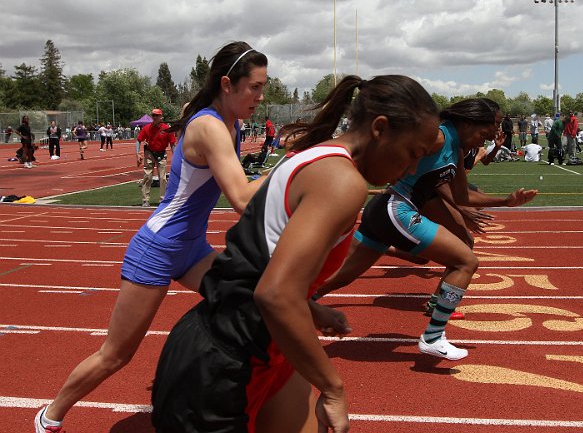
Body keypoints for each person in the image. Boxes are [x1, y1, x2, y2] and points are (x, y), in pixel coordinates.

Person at [150, 74, 441, 433]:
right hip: (227, 362)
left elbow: (261, 260)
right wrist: (333, 388)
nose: (412, 169)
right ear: (380, 128)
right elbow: (274, 294)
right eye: (413, 153)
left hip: (259, 348)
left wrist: (310, 306)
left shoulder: (315, 155)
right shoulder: (342, 180)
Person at [34, 41, 269, 433]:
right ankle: (50, 417)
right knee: (115, 355)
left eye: (264, 87)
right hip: (158, 248)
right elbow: (243, 198)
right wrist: (295, 167)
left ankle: (234, 400)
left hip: (192, 248)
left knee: (251, 301)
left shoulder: (234, 124)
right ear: (227, 84)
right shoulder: (209, 125)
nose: (261, 96)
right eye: (256, 87)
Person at [313, 98, 537, 362]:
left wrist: (507, 201)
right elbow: (390, 150)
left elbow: (462, 197)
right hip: (396, 209)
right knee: (465, 261)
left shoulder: (455, 149)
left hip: (384, 210)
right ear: (467, 123)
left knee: (340, 277)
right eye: (485, 131)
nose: (487, 139)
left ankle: (291, 305)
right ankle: (433, 336)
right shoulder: (438, 138)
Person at [136, 109, 177, 207]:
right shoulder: (147, 128)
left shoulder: (167, 129)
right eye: (153, 115)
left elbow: (172, 143)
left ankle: (162, 199)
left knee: (162, 178)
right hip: (149, 153)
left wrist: (175, 156)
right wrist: (137, 153)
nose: (154, 117)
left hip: (161, 154)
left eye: (156, 115)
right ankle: (145, 200)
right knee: (147, 177)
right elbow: (138, 140)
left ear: (161, 117)